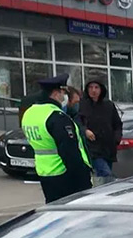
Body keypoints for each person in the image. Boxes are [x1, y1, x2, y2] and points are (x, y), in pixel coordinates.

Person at [21, 74, 93, 204]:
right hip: (65, 175)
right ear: (55, 93)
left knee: (53, 211)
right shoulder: (56, 117)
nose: (65, 96)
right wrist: (83, 180)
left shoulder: (30, 113)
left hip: (45, 173)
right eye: (63, 92)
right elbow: (70, 153)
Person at [78, 78, 123, 184]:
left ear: (101, 89)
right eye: (90, 87)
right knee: (106, 174)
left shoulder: (108, 105)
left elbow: (117, 124)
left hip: (108, 148)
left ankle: (101, 195)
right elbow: (77, 122)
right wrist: (85, 131)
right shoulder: (82, 105)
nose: (93, 90)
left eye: (96, 87)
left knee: (101, 177)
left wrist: (116, 139)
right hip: (92, 148)